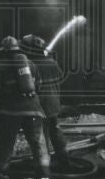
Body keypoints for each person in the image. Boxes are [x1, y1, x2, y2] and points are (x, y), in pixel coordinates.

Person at [0, 36, 51, 179]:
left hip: (10, 111)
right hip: (34, 109)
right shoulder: (31, 65)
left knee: (5, 141)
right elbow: (39, 86)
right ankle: (44, 175)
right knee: (38, 142)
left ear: (4, 52)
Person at [21, 33, 70, 171]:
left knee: (42, 135)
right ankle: (64, 159)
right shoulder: (52, 63)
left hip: (39, 105)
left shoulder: (30, 65)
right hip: (53, 104)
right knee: (55, 129)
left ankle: (45, 166)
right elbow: (60, 78)